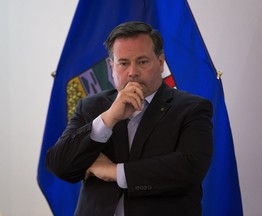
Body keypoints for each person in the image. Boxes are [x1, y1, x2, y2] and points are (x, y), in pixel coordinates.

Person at [46, 21, 213, 216]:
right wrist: (108, 119)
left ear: (160, 63)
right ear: (112, 67)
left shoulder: (192, 108)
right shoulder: (91, 107)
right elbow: (60, 166)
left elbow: (189, 168)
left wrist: (114, 172)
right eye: (123, 63)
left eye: (142, 61)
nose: (132, 71)